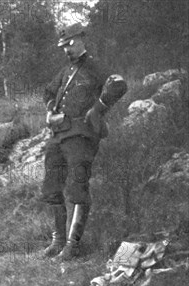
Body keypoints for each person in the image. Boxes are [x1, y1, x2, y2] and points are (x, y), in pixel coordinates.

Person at [42, 24, 127, 261]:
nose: (67, 49)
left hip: (82, 136)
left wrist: (98, 109)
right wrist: (50, 110)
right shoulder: (66, 70)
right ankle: (57, 241)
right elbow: (48, 91)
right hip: (59, 135)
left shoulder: (95, 67)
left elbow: (119, 84)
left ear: (81, 40)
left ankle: (72, 245)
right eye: (63, 46)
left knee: (77, 188)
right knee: (51, 187)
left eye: (70, 44)